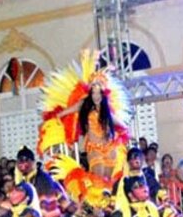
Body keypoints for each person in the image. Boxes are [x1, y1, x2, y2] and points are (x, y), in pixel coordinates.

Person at [40, 50, 131, 184]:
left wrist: (123, 134)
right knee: (98, 180)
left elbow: (120, 124)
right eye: (93, 91)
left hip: (110, 147)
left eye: (99, 91)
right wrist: (53, 120)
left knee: (110, 181)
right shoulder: (84, 104)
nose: (96, 95)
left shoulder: (107, 109)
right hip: (94, 148)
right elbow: (64, 113)